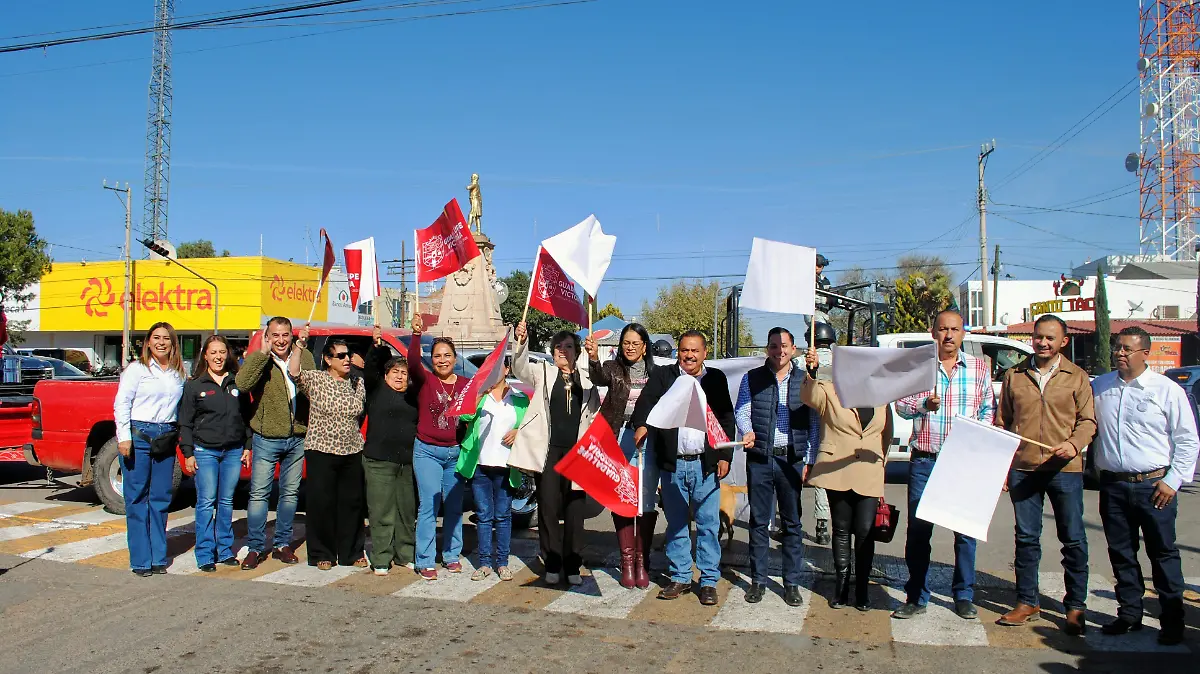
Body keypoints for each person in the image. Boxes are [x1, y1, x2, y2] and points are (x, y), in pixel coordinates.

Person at [1091, 326, 1198, 646]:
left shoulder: (1166, 390)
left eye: (1127, 349)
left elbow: (1188, 440)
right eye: (1117, 348)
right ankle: (1129, 614)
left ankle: (1172, 620)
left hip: (1154, 487)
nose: (1119, 353)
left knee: (1163, 553)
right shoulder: (1101, 387)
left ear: (1145, 353)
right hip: (1113, 486)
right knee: (1121, 553)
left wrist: (1173, 481)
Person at [993, 315, 1096, 635]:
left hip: (1064, 470)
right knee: (1025, 539)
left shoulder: (1076, 377)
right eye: (1038, 337)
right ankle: (1027, 601)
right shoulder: (1015, 375)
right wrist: (1004, 467)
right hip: (1024, 468)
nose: (1042, 343)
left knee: (1073, 538)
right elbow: (1003, 423)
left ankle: (1076, 607)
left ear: (1063, 342)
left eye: (1050, 338)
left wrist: (1074, 444)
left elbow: (1088, 422)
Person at [892, 310, 995, 620]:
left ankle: (963, 595)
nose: (949, 335)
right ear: (932, 332)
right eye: (942, 329)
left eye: (955, 329)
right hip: (925, 460)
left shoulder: (978, 368)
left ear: (963, 333)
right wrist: (925, 404)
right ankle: (916, 595)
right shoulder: (920, 367)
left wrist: (977, 439)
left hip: (962, 462)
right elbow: (900, 405)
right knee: (920, 532)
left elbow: (988, 410)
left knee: (964, 532)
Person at [631, 331, 734, 607]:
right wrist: (641, 424)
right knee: (676, 525)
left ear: (704, 352)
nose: (689, 355)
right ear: (678, 351)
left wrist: (725, 454)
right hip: (673, 464)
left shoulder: (715, 380)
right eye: (684, 350)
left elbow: (725, 417)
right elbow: (645, 403)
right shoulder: (664, 377)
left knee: (708, 526)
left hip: (705, 464)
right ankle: (680, 576)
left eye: (695, 350)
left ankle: (709, 580)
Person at [801, 342, 892, 610]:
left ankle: (862, 588)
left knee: (865, 531)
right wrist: (812, 371)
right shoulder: (830, 391)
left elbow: (885, 434)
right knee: (841, 530)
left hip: (869, 470)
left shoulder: (881, 395)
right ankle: (841, 587)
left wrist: (880, 463)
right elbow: (809, 396)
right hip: (836, 467)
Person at [735, 327, 819, 607]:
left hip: (791, 459)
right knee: (759, 522)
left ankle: (791, 583)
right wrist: (747, 430)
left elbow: (814, 422)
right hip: (760, 458)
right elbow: (742, 411)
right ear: (766, 349)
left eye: (784, 345)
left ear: (793, 349)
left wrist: (809, 459)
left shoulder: (805, 379)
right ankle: (758, 581)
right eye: (773, 346)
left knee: (792, 523)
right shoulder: (752, 378)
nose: (779, 351)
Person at [512, 321, 600, 586]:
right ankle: (552, 562)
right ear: (552, 352)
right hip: (548, 451)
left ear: (578, 351)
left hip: (577, 453)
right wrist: (521, 341)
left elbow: (596, 411)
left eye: (569, 346)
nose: (563, 350)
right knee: (548, 508)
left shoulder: (587, 380)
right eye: (559, 346)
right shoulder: (543, 373)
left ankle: (573, 564)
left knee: (574, 510)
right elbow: (519, 367)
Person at [236, 317, 314, 570]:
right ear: (267, 337)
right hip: (267, 436)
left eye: (285, 335)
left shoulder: (305, 356)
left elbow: (313, 387)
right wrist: (261, 355)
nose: (281, 340)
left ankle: (282, 543)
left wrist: (299, 358)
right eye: (275, 335)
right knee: (259, 495)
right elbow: (242, 383)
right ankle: (256, 547)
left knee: (290, 494)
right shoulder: (260, 359)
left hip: (297, 437)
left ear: (292, 335)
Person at [586, 323, 659, 589]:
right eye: (626, 343)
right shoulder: (613, 368)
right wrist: (593, 357)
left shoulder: (656, 372)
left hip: (648, 440)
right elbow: (598, 378)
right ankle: (627, 562)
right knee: (623, 499)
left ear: (644, 346)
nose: (629, 347)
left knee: (645, 499)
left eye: (635, 343)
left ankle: (642, 561)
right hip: (618, 437)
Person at [288, 328, 367, 570]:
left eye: (348, 355)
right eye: (341, 356)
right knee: (322, 503)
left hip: (351, 450)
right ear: (327, 359)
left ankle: (351, 553)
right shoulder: (317, 379)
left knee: (352, 504)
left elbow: (359, 412)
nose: (346, 359)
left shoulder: (357, 381)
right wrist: (299, 346)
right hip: (321, 449)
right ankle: (322, 552)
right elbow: (294, 372)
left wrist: (362, 367)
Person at [113, 322, 185, 576]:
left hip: (166, 436)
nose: (161, 342)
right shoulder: (137, 370)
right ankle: (141, 560)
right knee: (137, 498)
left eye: (166, 338)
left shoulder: (178, 373)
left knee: (161, 498)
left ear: (173, 343)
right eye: (156, 338)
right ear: (148, 342)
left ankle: (158, 556)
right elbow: (122, 402)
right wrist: (124, 437)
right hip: (139, 435)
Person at [178, 335, 251, 573]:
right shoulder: (195, 385)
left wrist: (248, 446)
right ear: (205, 355)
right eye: (213, 353)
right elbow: (185, 423)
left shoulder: (237, 383)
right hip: (204, 451)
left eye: (222, 352)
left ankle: (225, 550)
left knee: (227, 501)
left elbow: (246, 417)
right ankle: (205, 553)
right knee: (206, 502)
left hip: (233, 451)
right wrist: (188, 453)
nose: (218, 357)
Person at [408, 313, 471, 581]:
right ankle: (424, 559)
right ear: (431, 360)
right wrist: (415, 335)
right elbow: (412, 362)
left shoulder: (466, 385)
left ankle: (451, 555)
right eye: (437, 356)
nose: (442, 360)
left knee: (454, 507)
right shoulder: (425, 380)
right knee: (429, 505)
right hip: (427, 452)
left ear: (455, 359)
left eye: (447, 355)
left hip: (455, 453)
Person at [457, 356, 528, 582]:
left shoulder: (519, 398)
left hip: (507, 466)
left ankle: (503, 562)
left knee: (503, 515)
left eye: (498, 367)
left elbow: (530, 424)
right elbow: (464, 415)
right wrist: (478, 394)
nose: (493, 371)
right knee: (484, 515)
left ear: (507, 369)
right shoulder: (479, 396)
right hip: (480, 465)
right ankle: (485, 562)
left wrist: (519, 432)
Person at [362, 325, 419, 576]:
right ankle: (382, 557)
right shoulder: (376, 390)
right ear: (386, 375)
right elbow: (371, 368)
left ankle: (405, 553)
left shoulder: (412, 395)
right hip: (379, 461)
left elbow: (420, 370)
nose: (399, 377)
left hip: (406, 462)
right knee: (382, 511)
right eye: (395, 372)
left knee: (406, 511)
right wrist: (376, 347)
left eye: (403, 373)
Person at [807, 323, 837, 546]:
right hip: (835, 425)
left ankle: (818, 524)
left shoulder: (802, 361)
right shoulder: (842, 362)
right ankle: (826, 524)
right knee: (828, 474)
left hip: (806, 425)